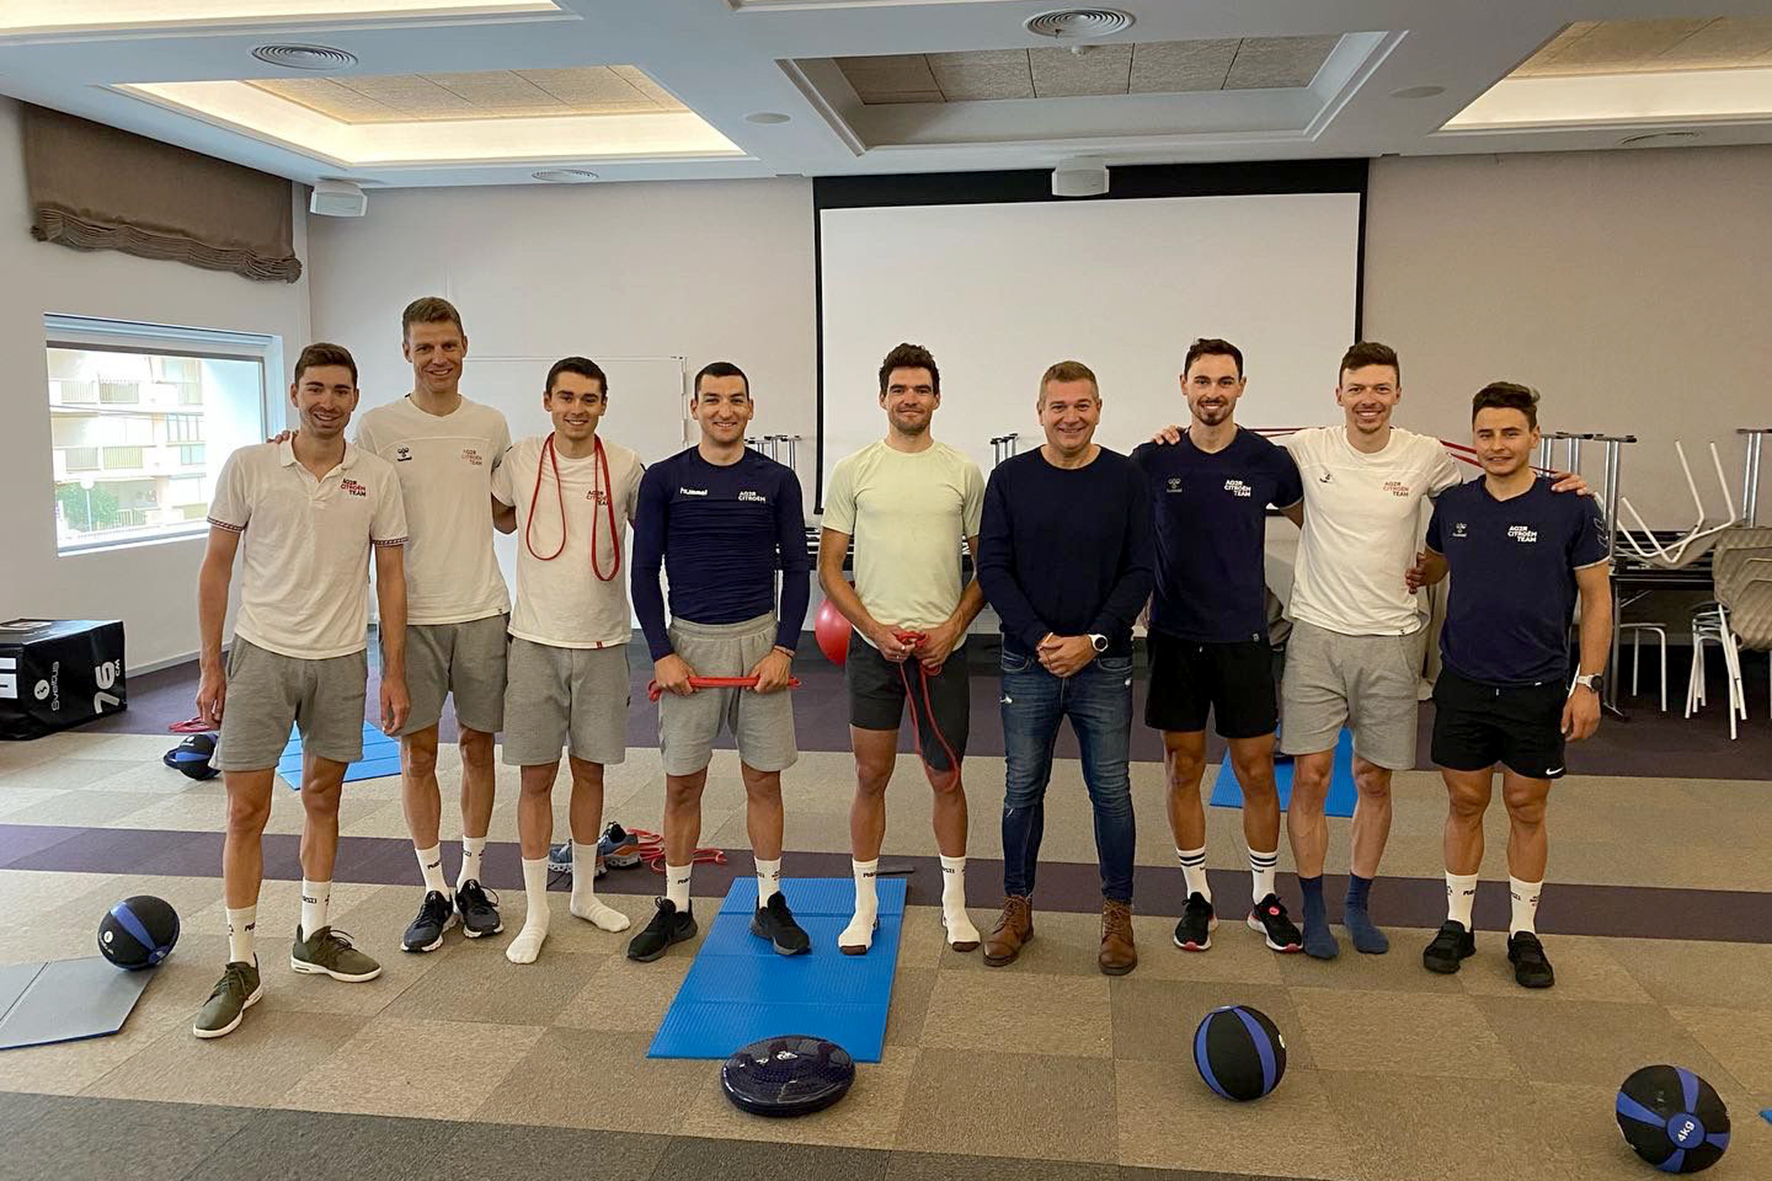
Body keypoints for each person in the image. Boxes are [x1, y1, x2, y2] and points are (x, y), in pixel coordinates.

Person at [192, 343, 409, 1038]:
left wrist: (393, 668)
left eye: (340, 390)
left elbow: (391, 577)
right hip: (261, 655)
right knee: (244, 810)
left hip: (341, 659)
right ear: (294, 392)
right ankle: (240, 962)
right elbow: (216, 567)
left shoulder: (375, 476)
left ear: (354, 398)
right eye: (315, 388)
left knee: (323, 797)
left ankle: (312, 934)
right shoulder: (249, 465)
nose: (327, 401)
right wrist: (211, 664)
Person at [1408, 383, 1610, 989]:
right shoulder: (1455, 505)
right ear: (1473, 439)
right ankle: (1458, 922)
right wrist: (1420, 571)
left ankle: (1523, 931)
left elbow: (1598, 599)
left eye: (1510, 433)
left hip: (1537, 685)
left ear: (1534, 437)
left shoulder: (1570, 506)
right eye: (1486, 434)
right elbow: (1436, 563)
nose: (1497, 445)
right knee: (1465, 802)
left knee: (1526, 805)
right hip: (1464, 682)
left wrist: (1588, 683)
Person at [627, 361, 812, 962]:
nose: (724, 410)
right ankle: (677, 907)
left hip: (760, 644)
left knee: (763, 780)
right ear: (695, 408)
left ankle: (769, 901)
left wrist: (784, 648)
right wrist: (662, 653)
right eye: (712, 399)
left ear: (751, 408)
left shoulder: (778, 480)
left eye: (736, 400)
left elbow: (797, 570)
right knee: (683, 784)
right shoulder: (664, 479)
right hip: (689, 646)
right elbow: (642, 573)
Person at [977, 360, 1153, 976]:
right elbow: (993, 569)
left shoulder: (1126, 478)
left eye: (1082, 405)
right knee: (1022, 789)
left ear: (1098, 409)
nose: (1070, 417)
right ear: (1040, 413)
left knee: (1112, 792)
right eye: (1058, 407)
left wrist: (1093, 640)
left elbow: (1140, 570)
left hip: (1103, 665)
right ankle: (1017, 909)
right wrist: (1042, 638)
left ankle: (1118, 915)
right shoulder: (1009, 479)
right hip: (1028, 662)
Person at [1131, 339, 1305, 955]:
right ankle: (1197, 895)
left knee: (1256, 770)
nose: (1213, 392)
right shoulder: (1153, 459)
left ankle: (1264, 898)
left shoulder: (1267, 461)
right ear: (1183, 385)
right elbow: (1123, 532)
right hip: (1176, 638)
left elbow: (1321, 526)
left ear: (1241, 387)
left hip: (1243, 639)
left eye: (1224, 382)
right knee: (1183, 768)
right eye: (1202, 381)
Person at [352, 297, 515, 953]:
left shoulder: (490, 424)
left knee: (478, 747)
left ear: (464, 346)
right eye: (425, 347)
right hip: (409, 618)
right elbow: (346, 495)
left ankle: (472, 878)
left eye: (448, 345)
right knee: (417, 753)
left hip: (480, 609)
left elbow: (508, 512)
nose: (438, 358)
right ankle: (434, 887)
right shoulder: (377, 427)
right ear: (406, 352)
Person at [819, 343, 986, 955]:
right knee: (870, 774)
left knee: (946, 777)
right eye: (899, 389)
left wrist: (951, 629)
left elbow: (987, 568)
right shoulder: (854, 470)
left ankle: (954, 905)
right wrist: (872, 629)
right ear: (883, 398)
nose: (909, 399)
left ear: (936, 398)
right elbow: (830, 571)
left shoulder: (963, 472)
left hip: (942, 651)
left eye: (920, 389)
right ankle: (863, 907)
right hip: (874, 650)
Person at [491, 358, 645, 963]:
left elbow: (655, 529)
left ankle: (583, 894)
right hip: (534, 641)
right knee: (535, 779)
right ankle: (537, 911)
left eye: (588, 399)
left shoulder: (626, 465)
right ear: (547, 401)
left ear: (603, 404)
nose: (576, 409)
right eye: (566, 397)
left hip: (603, 643)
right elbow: (499, 514)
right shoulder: (521, 458)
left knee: (591, 773)